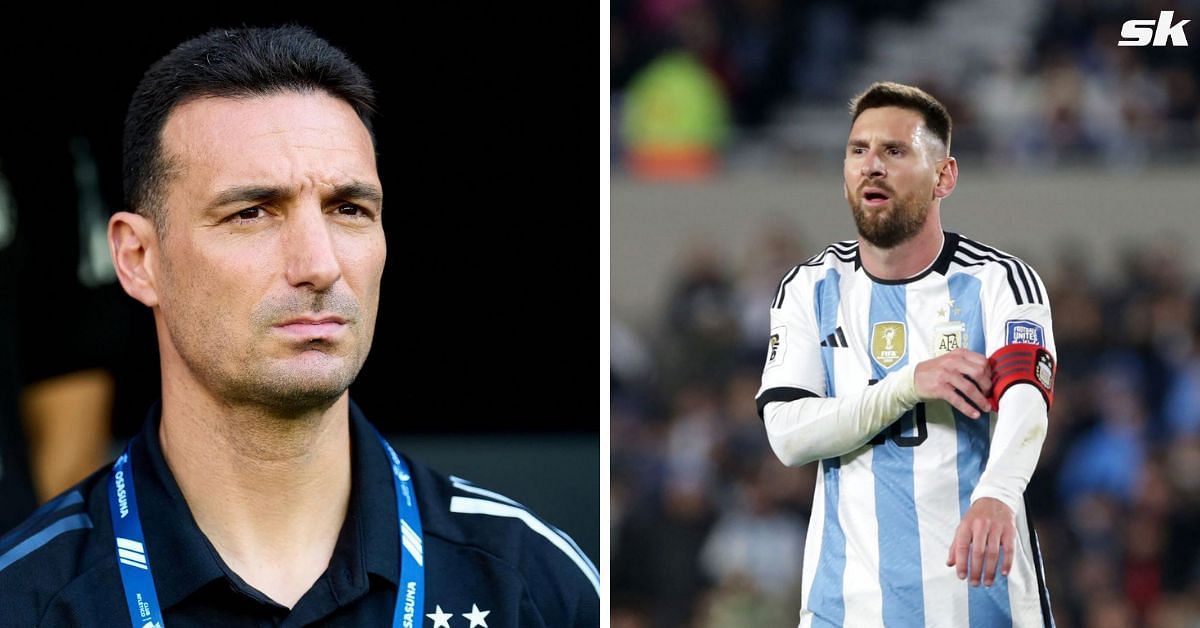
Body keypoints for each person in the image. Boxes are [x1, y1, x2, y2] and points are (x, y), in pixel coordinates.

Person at [0, 25, 599, 627]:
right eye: (252, 212)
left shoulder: (533, 584)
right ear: (138, 259)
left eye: (349, 209)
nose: (319, 264)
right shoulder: (25, 600)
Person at [756, 82, 1056, 627]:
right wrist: (908, 384)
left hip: (979, 600)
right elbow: (788, 434)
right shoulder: (810, 287)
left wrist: (996, 494)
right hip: (846, 607)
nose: (871, 166)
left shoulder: (998, 281)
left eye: (894, 151)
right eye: (858, 150)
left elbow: (1028, 399)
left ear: (944, 176)